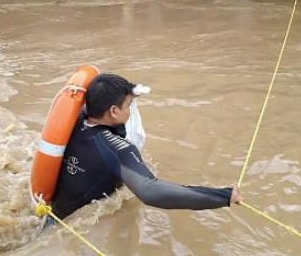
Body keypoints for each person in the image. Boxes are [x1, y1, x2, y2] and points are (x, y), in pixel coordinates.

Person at [49, 73, 242, 220]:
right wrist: (224, 196)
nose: (131, 110)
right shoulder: (118, 150)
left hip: (52, 209)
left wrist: (129, 92)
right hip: (71, 222)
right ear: (114, 111)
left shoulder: (74, 121)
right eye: (129, 105)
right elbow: (151, 192)